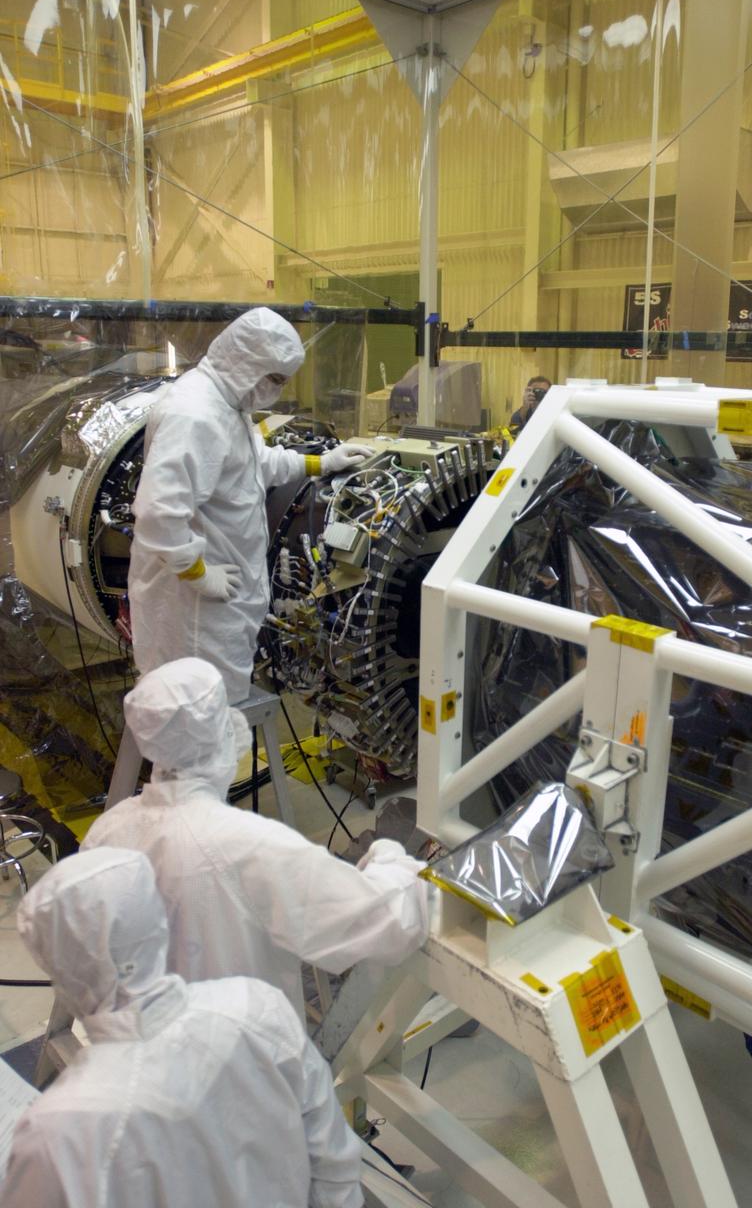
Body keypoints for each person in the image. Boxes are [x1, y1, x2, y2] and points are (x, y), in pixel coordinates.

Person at [3, 847, 363, 1208]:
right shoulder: (259, 1008)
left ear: (60, 973)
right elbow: (334, 1162)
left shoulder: (57, 1136)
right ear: (159, 924)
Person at [82, 658, 430, 1023]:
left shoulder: (106, 831)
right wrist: (390, 858)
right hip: (240, 1063)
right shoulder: (250, 847)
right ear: (223, 734)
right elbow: (382, 921)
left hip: (139, 1051)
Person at [129, 307, 372, 703]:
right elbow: (159, 514)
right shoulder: (195, 415)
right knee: (196, 731)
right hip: (194, 614)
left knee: (217, 724)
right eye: (274, 379)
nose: (277, 390)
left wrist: (321, 463)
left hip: (222, 606)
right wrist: (197, 573)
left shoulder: (227, 404)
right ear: (246, 363)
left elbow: (255, 464)